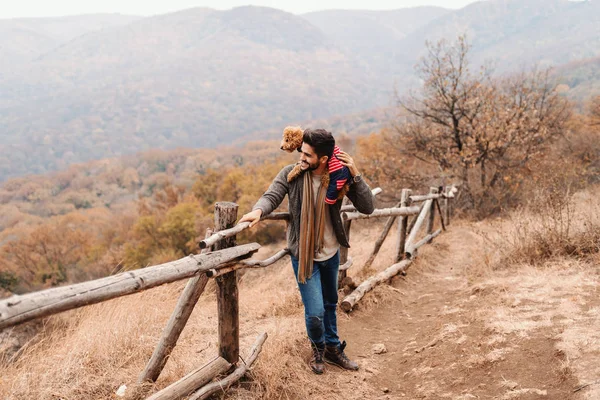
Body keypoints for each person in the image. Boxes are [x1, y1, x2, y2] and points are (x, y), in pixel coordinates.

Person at [239, 128, 375, 374]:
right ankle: (318, 349)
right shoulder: (292, 174)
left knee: (331, 304)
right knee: (315, 313)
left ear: (323, 159)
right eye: (301, 152)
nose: (301, 158)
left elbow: (367, 207)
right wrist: (258, 211)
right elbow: (272, 195)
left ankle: (333, 350)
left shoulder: (339, 177)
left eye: (307, 155)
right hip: (304, 256)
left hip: (331, 253)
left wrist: (355, 173)